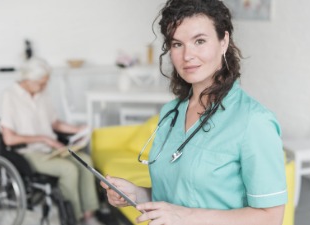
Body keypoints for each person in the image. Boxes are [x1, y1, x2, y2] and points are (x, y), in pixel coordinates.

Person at [101, 0, 287, 224]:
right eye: (177, 44)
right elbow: (178, 196)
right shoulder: (171, 113)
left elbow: (271, 217)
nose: (187, 55)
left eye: (199, 41)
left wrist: (186, 216)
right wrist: (138, 194)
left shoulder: (254, 121)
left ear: (223, 41)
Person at [0, 58, 103, 225]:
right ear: (28, 80)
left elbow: (55, 123)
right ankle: (72, 218)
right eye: (41, 83)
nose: (45, 86)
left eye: (46, 82)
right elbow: (9, 138)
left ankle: (89, 215)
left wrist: (79, 129)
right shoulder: (10, 96)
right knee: (68, 169)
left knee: (86, 161)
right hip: (29, 152)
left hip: (52, 148)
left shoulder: (43, 94)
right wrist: (43, 138)